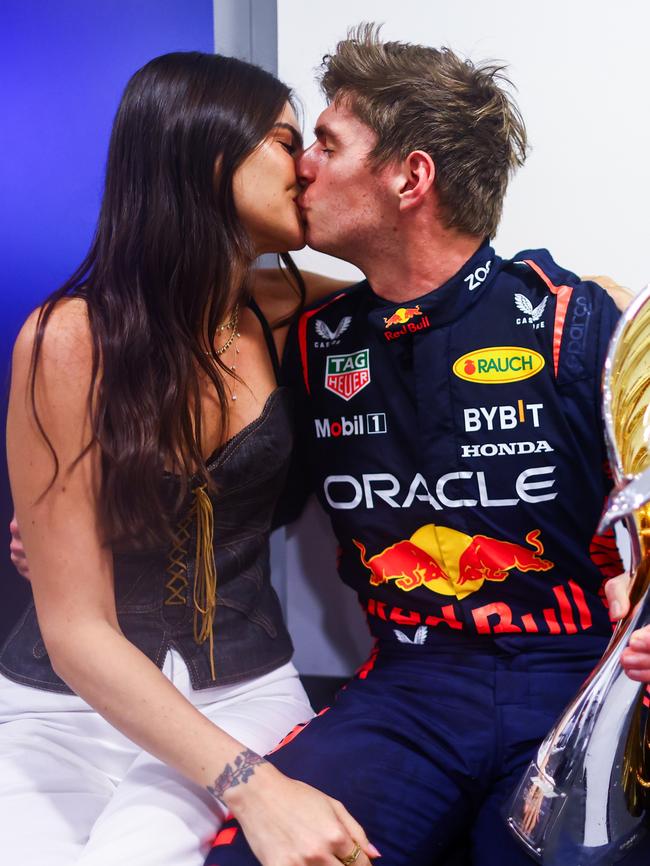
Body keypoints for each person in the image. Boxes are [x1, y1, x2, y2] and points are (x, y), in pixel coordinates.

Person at [197, 25, 650, 866]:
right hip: (410, 684)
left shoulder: (578, 324)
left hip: (578, 677)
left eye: (326, 144)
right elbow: (237, 482)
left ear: (411, 176)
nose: (303, 166)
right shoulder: (312, 337)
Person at [0, 50, 379, 866]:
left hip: (243, 690)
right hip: (62, 708)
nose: (307, 167)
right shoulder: (66, 340)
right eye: (286, 141)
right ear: (212, 155)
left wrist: (576, 296)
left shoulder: (284, 310)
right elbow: (74, 631)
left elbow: (439, 288)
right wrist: (255, 787)